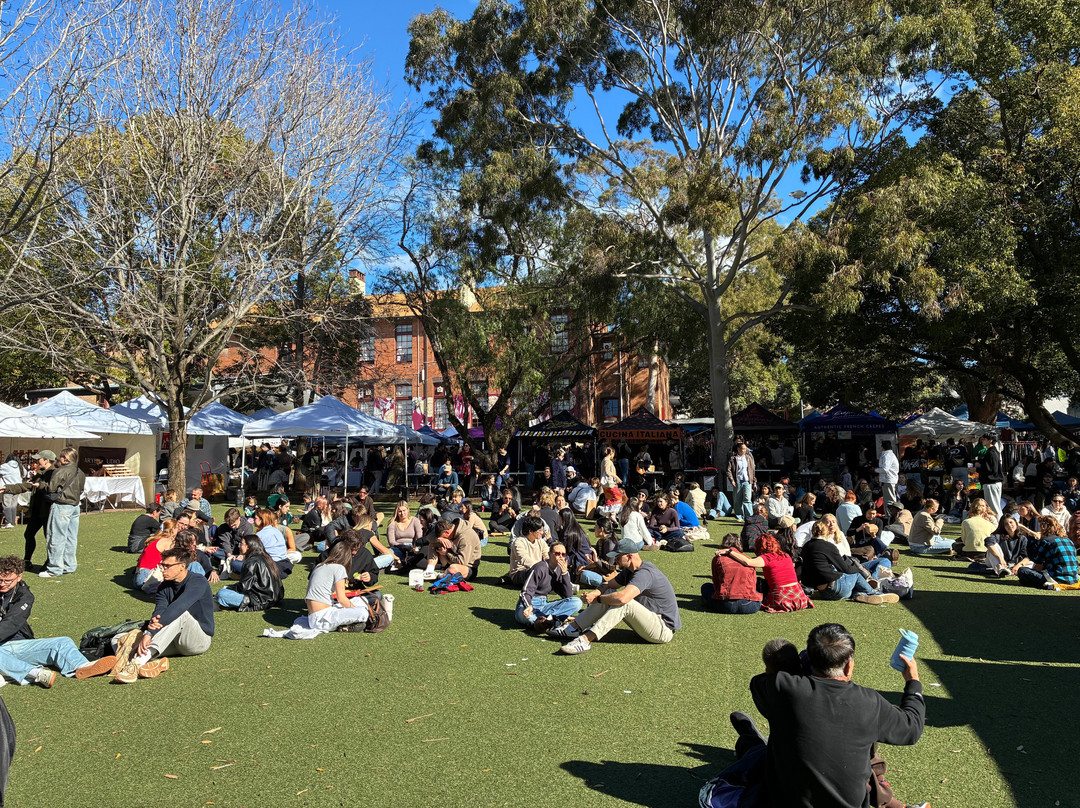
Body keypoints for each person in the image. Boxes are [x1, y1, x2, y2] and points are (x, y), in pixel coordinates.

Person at [741, 623, 925, 808]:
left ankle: (750, 740)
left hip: (784, 800)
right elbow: (913, 728)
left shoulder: (783, 688)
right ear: (848, 667)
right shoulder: (869, 703)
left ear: (808, 660)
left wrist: (794, 670)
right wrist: (913, 681)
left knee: (764, 751)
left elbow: (759, 681)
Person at [548, 536, 681, 655]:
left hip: (663, 630)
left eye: (618, 558)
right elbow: (608, 584)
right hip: (650, 622)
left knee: (624, 602)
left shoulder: (644, 573)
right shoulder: (630, 570)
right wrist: (595, 593)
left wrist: (598, 599)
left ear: (629, 556)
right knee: (610, 594)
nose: (615, 561)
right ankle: (573, 628)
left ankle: (585, 640)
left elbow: (623, 598)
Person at [0, 556, 112, 686]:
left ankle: (82, 666)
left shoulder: (25, 596)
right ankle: (34, 673)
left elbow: (12, 622)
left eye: (7, 580)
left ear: (19, 577)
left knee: (63, 642)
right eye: (0, 579)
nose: (2, 584)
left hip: (18, 644)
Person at [111, 546, 215, 683]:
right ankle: (155, 662)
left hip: (198, 640)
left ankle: (136, 665)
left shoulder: (198, 582)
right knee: (119, 638)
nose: (162, 569)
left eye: (167, 566)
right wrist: (148, 630)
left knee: (179, 615)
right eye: (162, 565)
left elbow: (178, 607)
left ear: (182, 566)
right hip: (172, 638)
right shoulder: (163, 586)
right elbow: (159, 611)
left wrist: (149, 634)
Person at [5, 446, 85, 578]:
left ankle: (54, 568)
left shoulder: (59, 471)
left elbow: (51, 488)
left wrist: (40, 485)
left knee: (55, 538)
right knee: (70, 537)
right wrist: (8, 488)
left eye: (39, 460)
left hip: (57, 507)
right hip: (73, 506)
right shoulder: (79, 471)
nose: (36, 462)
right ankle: (68, 565)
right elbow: (80, 490)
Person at [802, 520, 899, 605]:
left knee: (850, 583)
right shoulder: (827, 546)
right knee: (855, 574)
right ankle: (873, 593)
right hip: (836, 588)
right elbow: (846, 569)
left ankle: (859, 594)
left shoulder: (806, 547)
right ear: (825, 531)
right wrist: (858, 569)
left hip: (823, 592)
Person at [720, 533, 813, 613]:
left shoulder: (767, 558)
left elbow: (748, 562)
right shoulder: (786, 556)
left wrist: (730, 551)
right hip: (798, 594)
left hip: (782, 597)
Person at [515, 541, 582, 631]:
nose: (561, 557)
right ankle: (550, 621)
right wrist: (528, 606)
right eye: (557, 554)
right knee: (528, 617)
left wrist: (565, 573)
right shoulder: (539, 568)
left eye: (563, 554)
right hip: (529, 604)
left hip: (544, 606)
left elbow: (568, 596)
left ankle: (546, 622)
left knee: (577, 602)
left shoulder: (559, 570)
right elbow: (525, 592)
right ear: (550, 554)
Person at [215, 534, 284, 611]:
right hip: (275, 598)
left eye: (241, 544)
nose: (239, 546)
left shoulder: (251, 562)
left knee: (222, 594)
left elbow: (244, 587)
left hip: (260, 601)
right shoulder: (267, 557)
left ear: (249, 546)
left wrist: (229, 587)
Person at [701, 533, 763, 614]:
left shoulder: (718, 558)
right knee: (757, 593)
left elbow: (716, 582)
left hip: (725, 604)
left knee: (705, 587)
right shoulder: (747, 559)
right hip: (749, 605)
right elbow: (753, 583)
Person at [1018, 515, 1080, 589]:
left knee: (1022, 571)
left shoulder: (1046, 541)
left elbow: (1038, 564)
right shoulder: (1069, 541)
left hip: (1056, 578)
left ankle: (1047, 584)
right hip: (1074, 578)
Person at [983, 513, 1034, 577]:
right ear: (1003, 527)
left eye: (1011, 522)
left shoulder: (1022, 539)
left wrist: (1019, 565)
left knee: (1032, 563)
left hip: (1011, 564)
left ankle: (1013, 570)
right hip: (995, 562)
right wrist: (1000, 558)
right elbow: (988, 543)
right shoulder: (998, 536)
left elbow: (1026, 556)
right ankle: (1001, 570)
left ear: (1016, 523)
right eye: (1006, 524)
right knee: (994, 545)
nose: (1009, 525)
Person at [508, 515, 550, 587]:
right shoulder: (519, 542)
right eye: (539, 530)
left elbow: (547, 555)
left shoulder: (541, 541)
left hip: (539, 570)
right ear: (530, 531)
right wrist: (541, 569)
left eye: (542, 530)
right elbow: (525, 560)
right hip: (521, 572)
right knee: (534, 573)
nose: (542, 533)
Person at [727, 441, 756, 521]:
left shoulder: (748, 458)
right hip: (738, 480)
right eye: (742, 449)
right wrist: (732, 480)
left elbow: (752, 470)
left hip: (747, 480)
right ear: (738, 449)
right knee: (737, 499)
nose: (744, 451)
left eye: (745, 449)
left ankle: (749, 516)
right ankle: (739, 516)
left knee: (747, 499)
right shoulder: (733, 458)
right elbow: (728, 470)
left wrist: (754, 481)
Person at [977, 433, 1005, 519]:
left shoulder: (992, 452)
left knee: (994, 508)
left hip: (992, 483)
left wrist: (978, 469)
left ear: (990, 441)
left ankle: (1000, 525)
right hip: (990, 483)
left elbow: (992, 469)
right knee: (992, 507)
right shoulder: (990, 452)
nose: (983, 440)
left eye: (985, 439)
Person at [0, 454, 23, 530]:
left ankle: (8, 522)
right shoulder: (19, 466)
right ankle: (12, 522)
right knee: (13, 505)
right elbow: (25, 473)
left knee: (6, 505)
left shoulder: (5, 466)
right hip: (17, 488)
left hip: (8, 488)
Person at [877, 441, 900, 508]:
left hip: (888, 479)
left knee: (889, 501)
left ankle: (890, 516)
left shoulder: (887, 455)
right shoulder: (891, 454)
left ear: (883, 447)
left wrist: (875, 470)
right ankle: (890, 515)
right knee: (889, 499)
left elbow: (885, 469)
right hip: (890, 479)